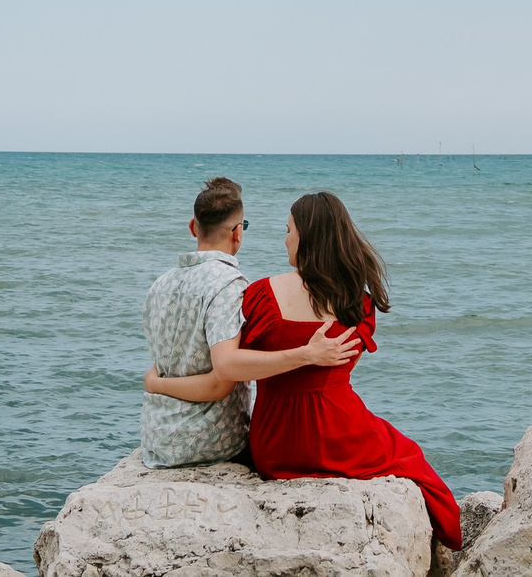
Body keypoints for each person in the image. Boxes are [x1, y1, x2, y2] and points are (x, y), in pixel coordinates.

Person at [145, 190, 460, 551]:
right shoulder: (357, 302)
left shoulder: (261, 294)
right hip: (339, 436)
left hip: (274, 444)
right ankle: (452, 539)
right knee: (411, 459)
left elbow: (233, 361)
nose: (285, 239)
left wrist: (158, 380)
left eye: (289, 230)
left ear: (306, 237)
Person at [140, 176, 363, 468]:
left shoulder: (159, 285)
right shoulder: (230, 286)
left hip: (157, 440)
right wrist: (154, 384)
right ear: (237, 234)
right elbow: (219, 384)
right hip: (211, 441)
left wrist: (155, 383)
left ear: (193, 227)